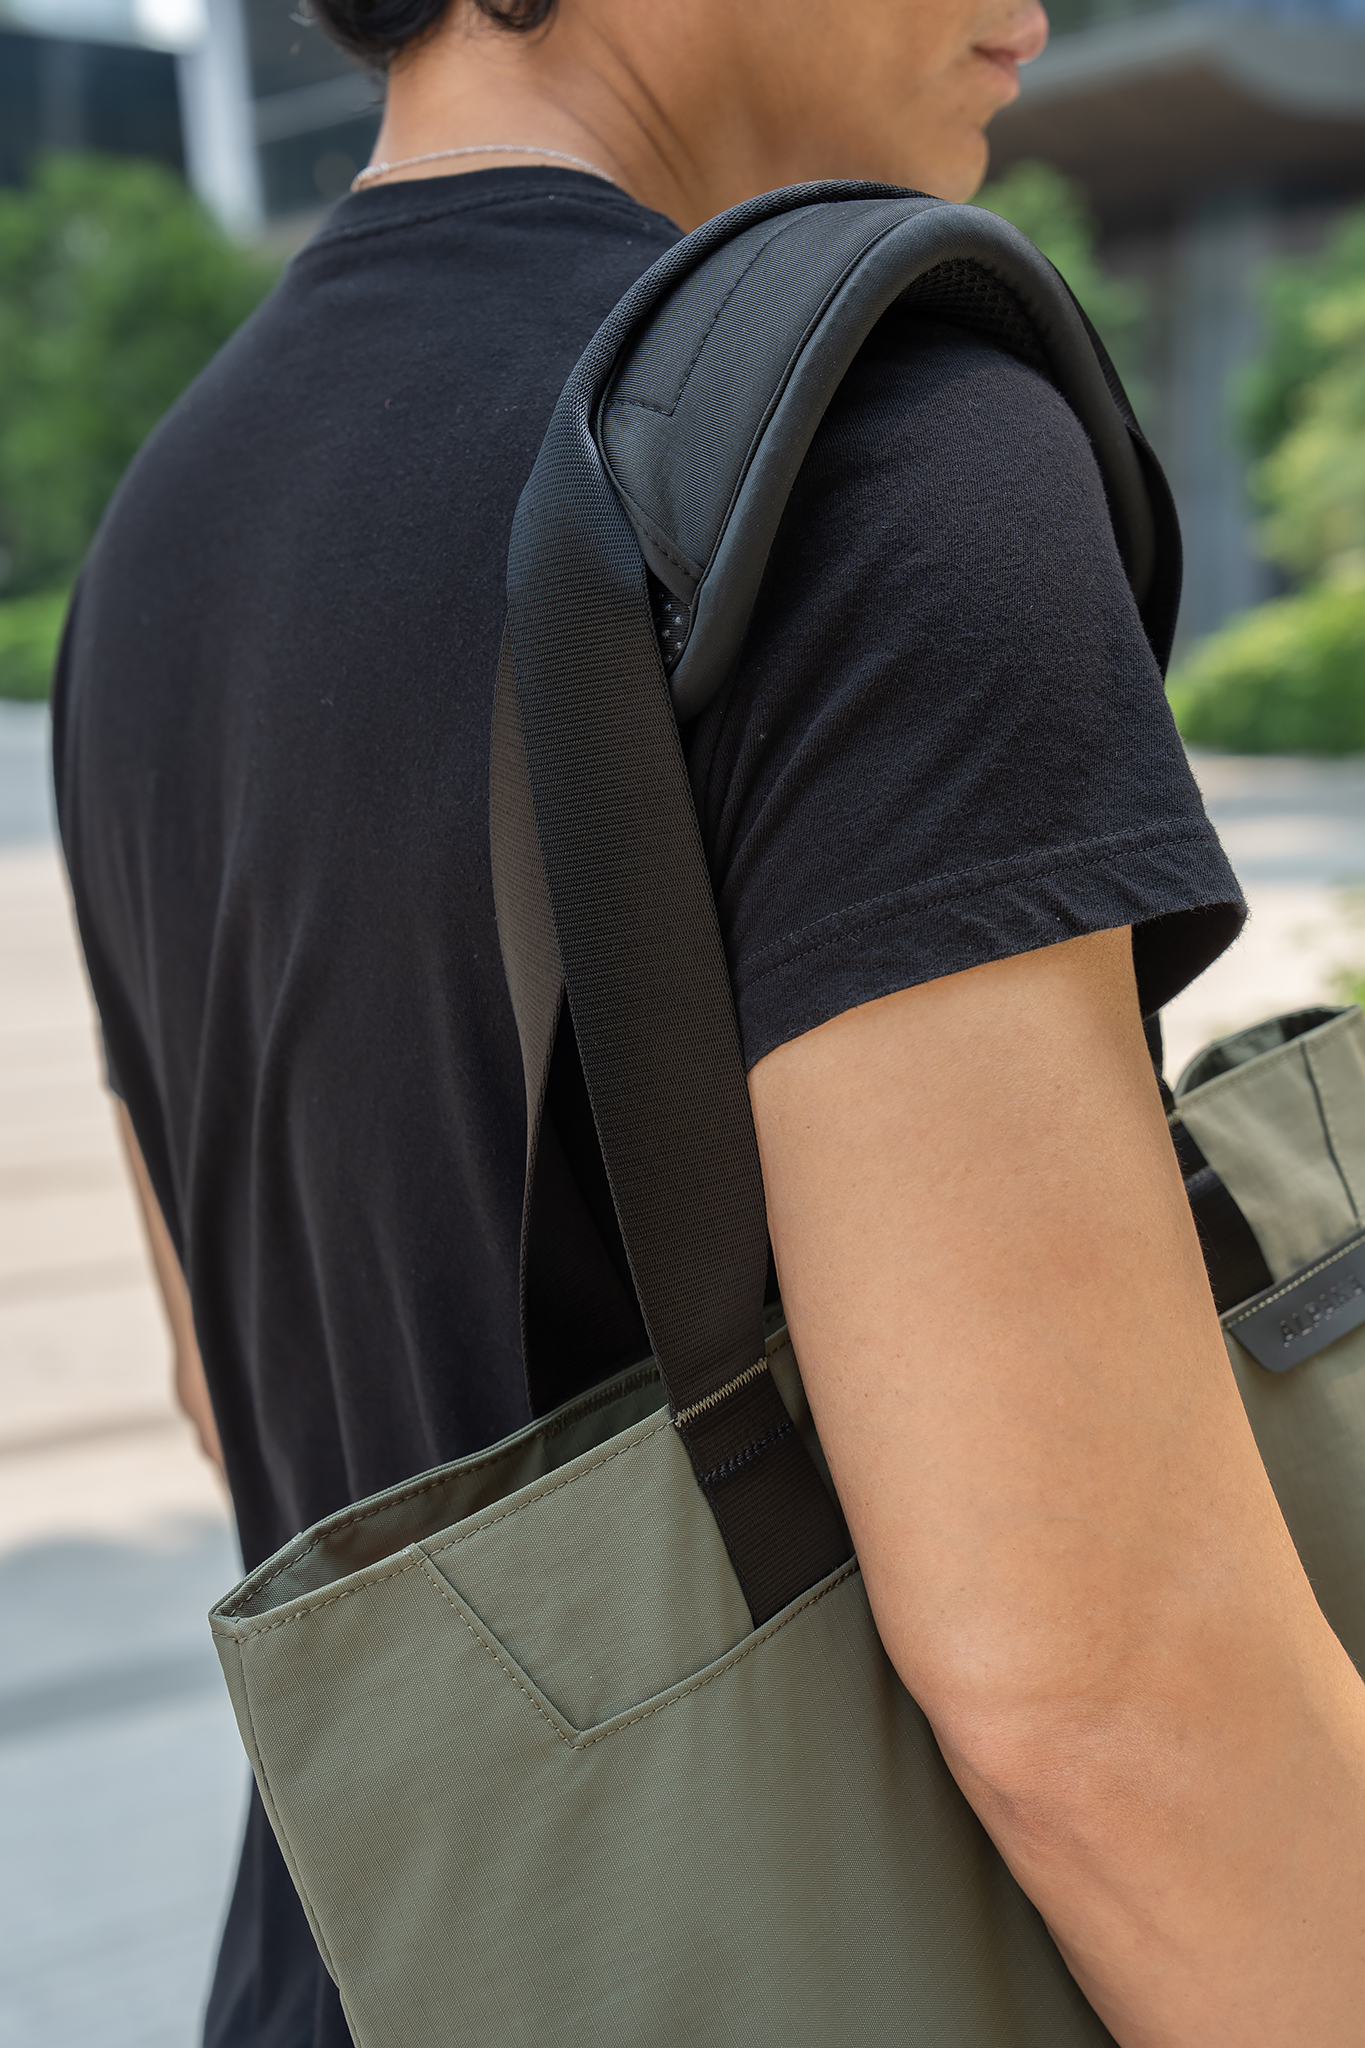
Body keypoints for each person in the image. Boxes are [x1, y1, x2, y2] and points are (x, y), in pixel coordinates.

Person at [52, 1, 1365, 2043]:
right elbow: (1106, 1689)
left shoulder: (162, 533)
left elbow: (238, 1398)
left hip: (371, 1966)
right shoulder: (856, 440)